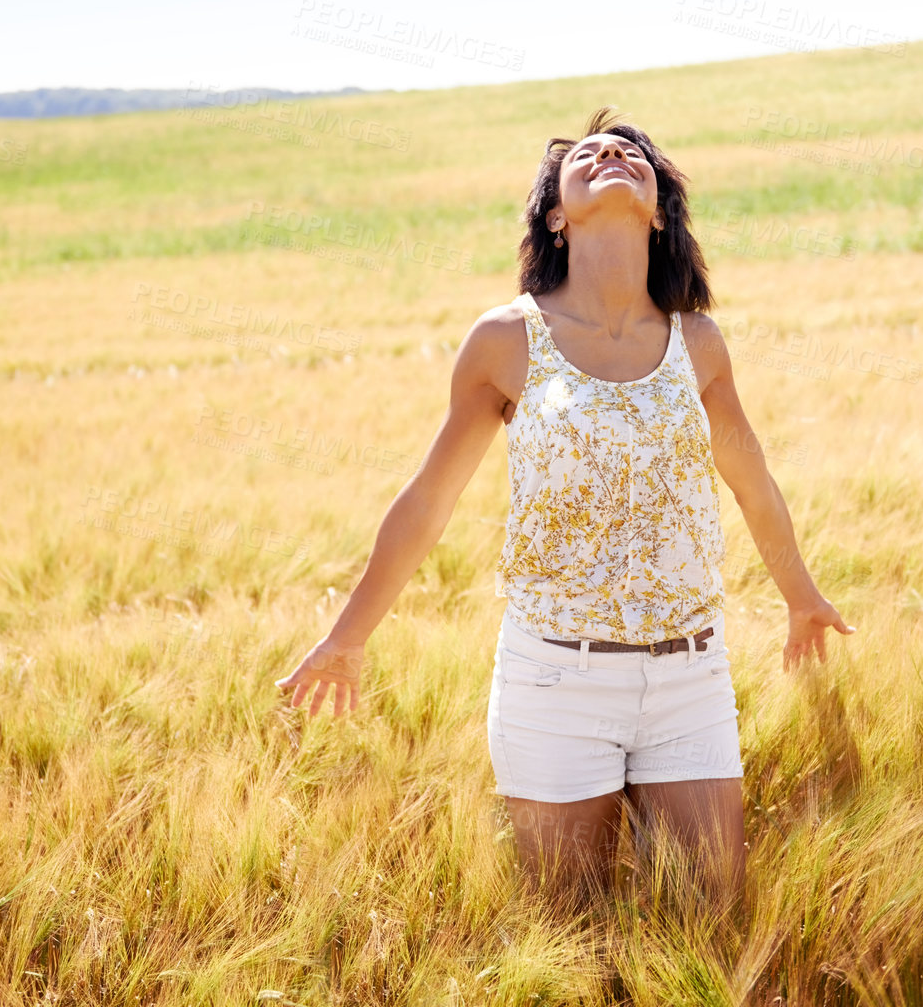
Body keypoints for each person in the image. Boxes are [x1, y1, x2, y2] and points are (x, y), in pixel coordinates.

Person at [275, 105, 855, 913]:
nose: (613, 153)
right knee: (567, 927)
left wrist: (801, 596)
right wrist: (346, 637)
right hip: (556, 678)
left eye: (632, 154)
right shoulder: (508, 339)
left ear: (657, 211)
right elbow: (428, 500)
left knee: (713, 915)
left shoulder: (699, 343)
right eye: (588, 153)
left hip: (690, 672)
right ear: (555, 214)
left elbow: (750, 481)